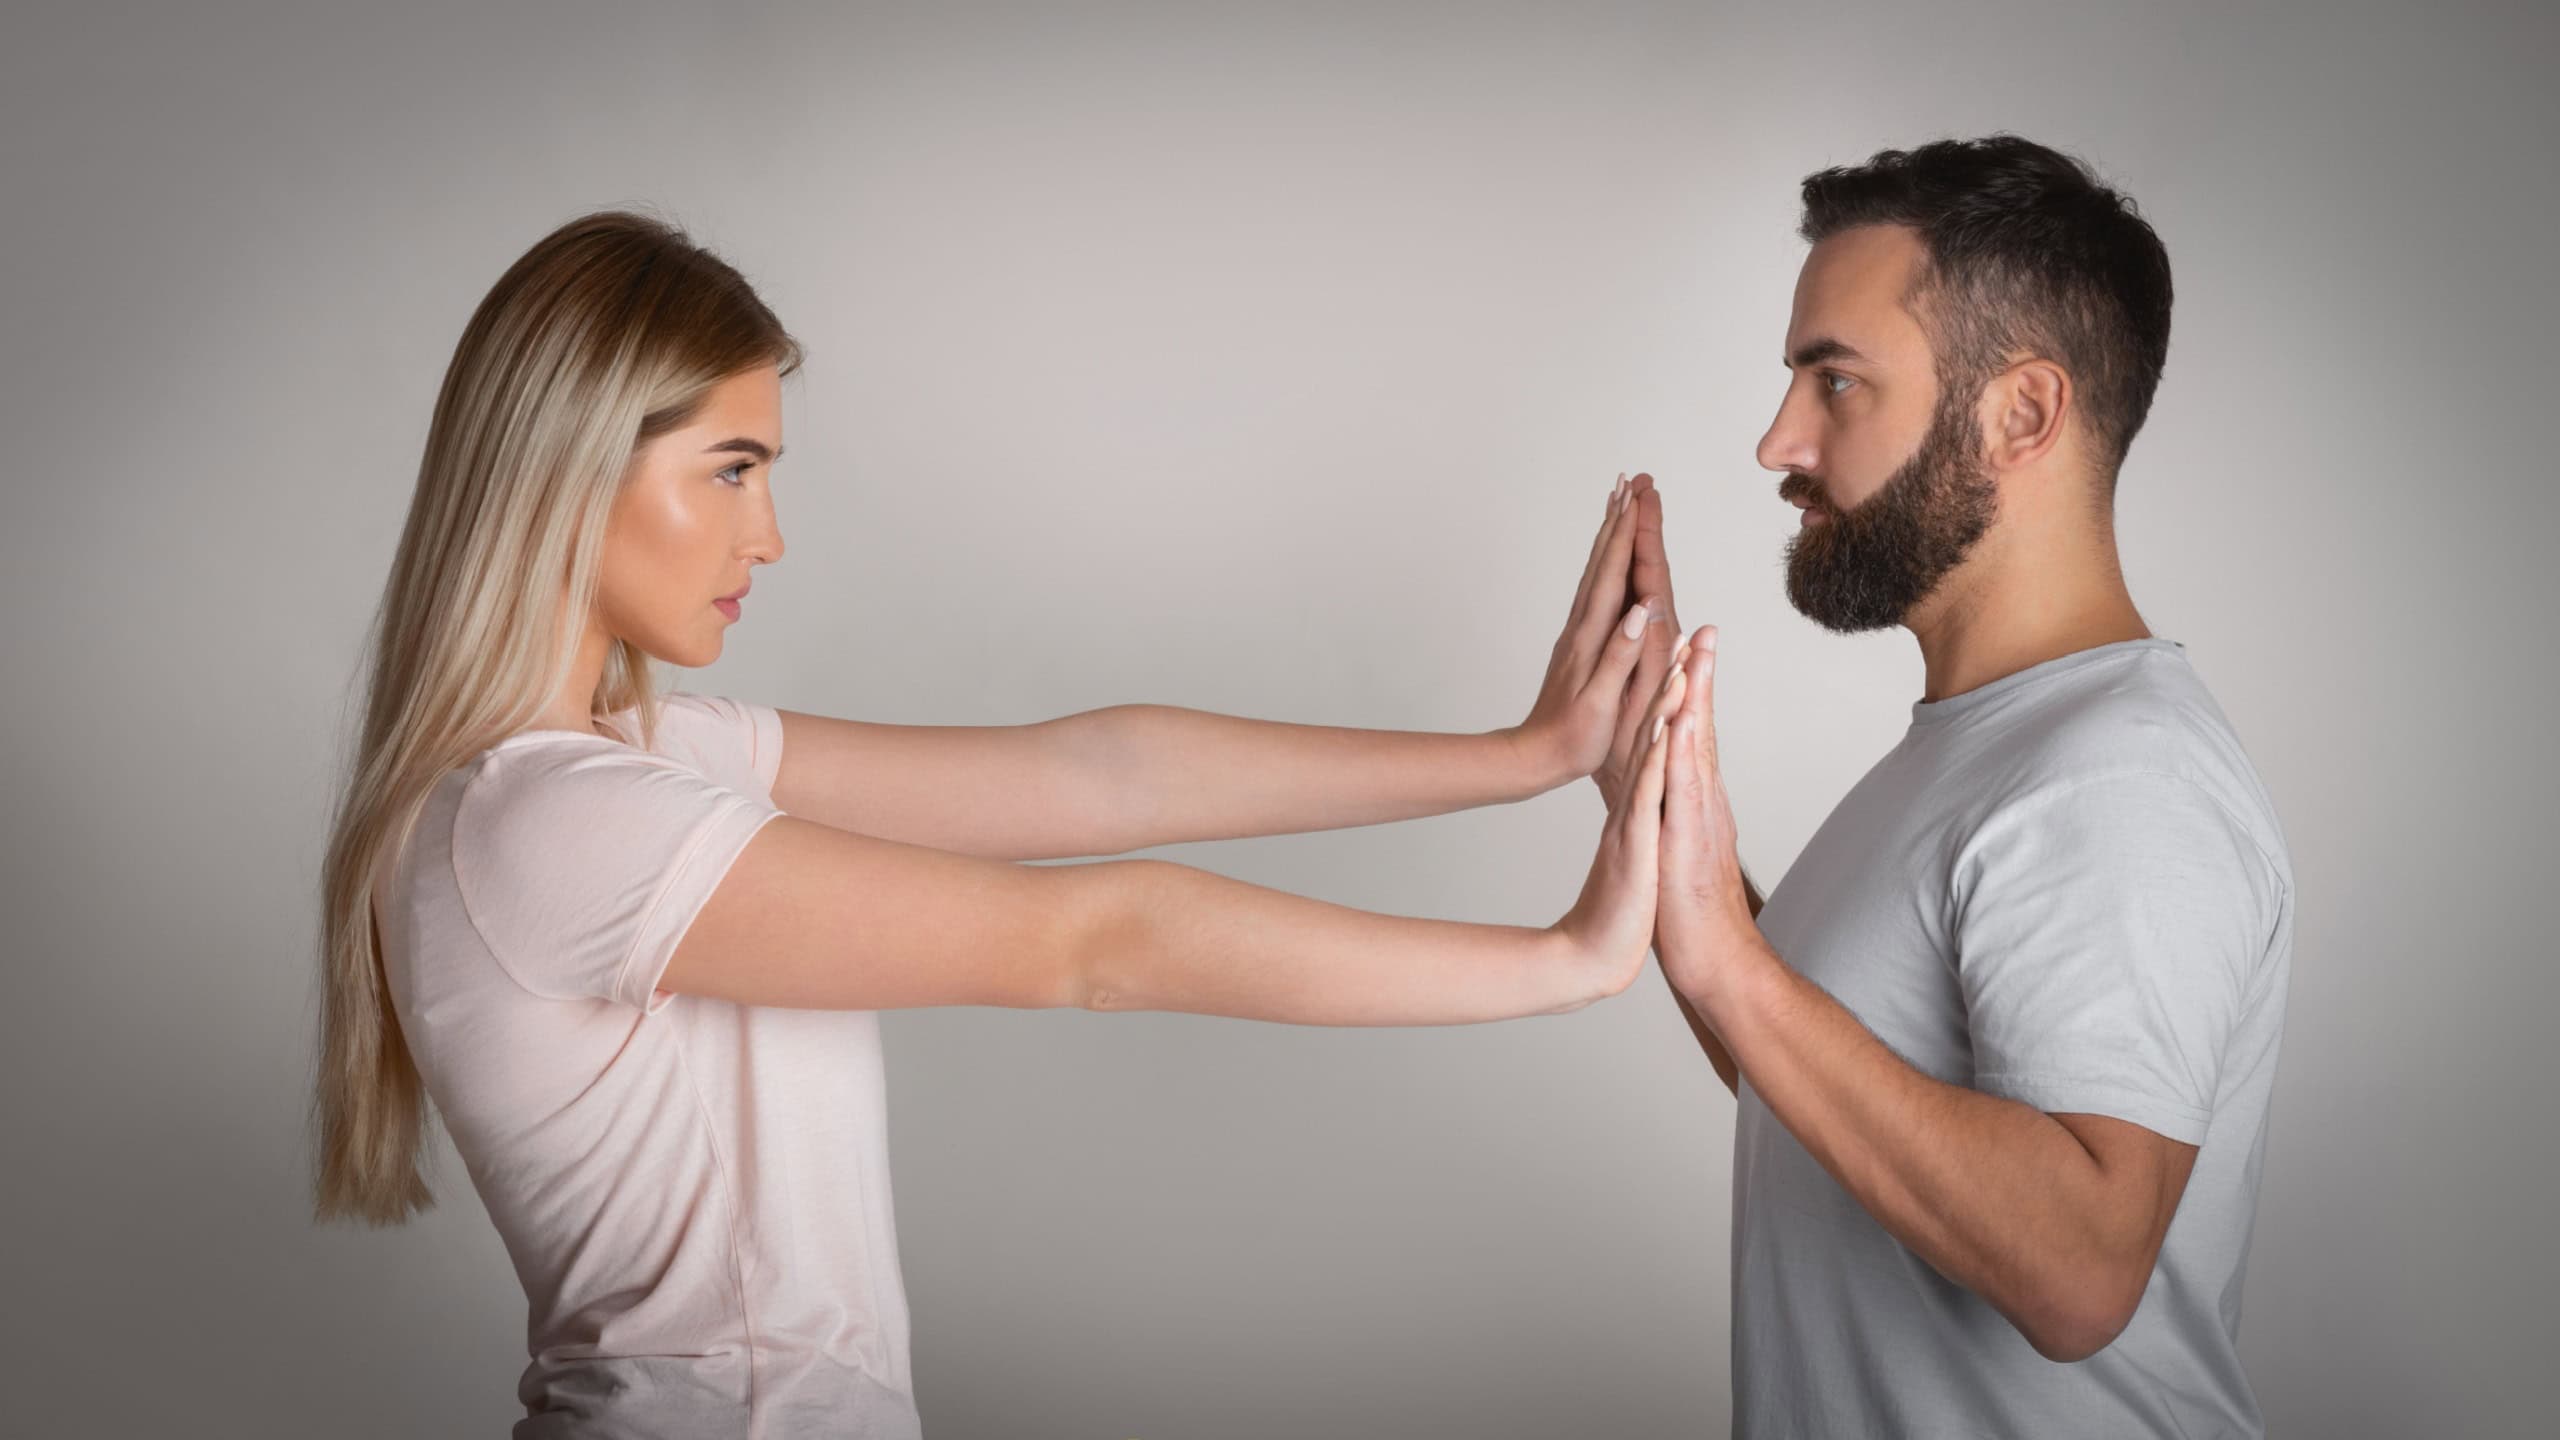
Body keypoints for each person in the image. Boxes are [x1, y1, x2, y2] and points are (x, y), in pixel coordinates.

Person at [309, 210, 1691, 1438]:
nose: (770, 533)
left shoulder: (634, 767)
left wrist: (1530, 755)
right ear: (568, 469)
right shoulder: (549, 823)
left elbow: (1103, 778)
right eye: (731, 469)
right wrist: (1565, 960)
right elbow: (1096, 942)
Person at [1642, 135, 2296, 1437]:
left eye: (1836, 383)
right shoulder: (1987, 751)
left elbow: (2077, 1269)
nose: (1778, 441)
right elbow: (1846, 1100)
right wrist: (1659, 821)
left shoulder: (2119, 776)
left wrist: (1732, 963)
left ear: (2021, 414)